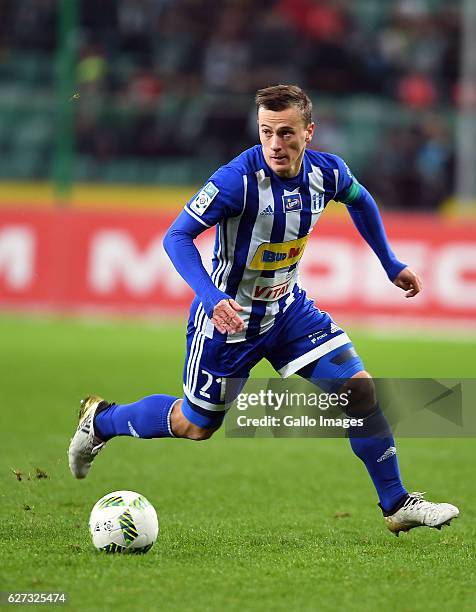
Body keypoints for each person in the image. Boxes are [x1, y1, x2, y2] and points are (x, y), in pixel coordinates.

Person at [68, 85, 459, 536]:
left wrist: (390, 262)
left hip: (289, 310)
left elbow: (362, 200)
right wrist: (213, 299)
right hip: (228, 322)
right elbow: (175, 237)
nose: (276, 144)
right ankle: (101, 421)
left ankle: (397, 504)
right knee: (196, 426)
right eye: (267, 132)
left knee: (360, 391)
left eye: (287, 133)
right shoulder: (236, 180)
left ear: (308, 133)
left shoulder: (327, 173)